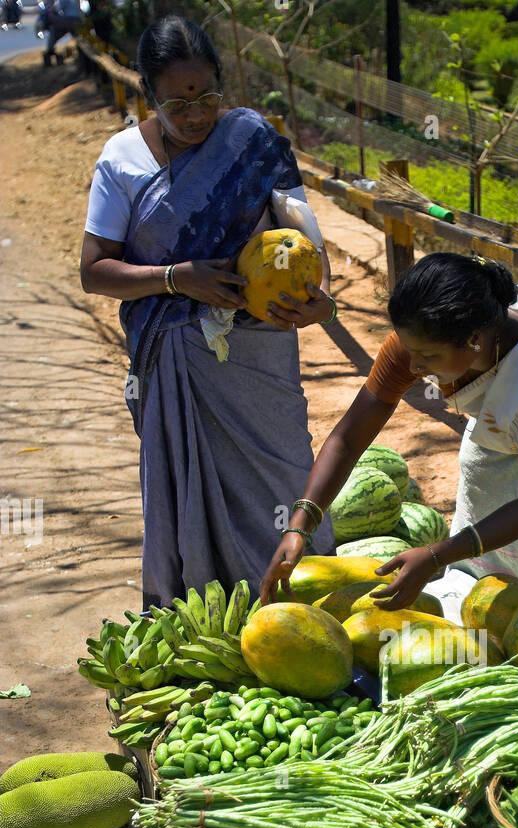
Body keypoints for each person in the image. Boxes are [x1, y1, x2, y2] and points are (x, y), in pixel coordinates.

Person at [260, 253, 518, 692]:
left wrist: (438, 554)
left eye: (428, 357)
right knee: (485, 487)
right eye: (411, 351)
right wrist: (300, 523)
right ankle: (502, 628)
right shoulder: (423, 341)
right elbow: (349, 436)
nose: (416, 367)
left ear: (476, 341)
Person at [80, 15, 336, 608]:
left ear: (221, 87)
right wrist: (177, 279)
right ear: (148, 93)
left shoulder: (254, 143)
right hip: (174, 359)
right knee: (188, 489)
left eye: (207, 98)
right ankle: (204, 609)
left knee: (284, 475)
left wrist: (318, 298)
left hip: (260, 354)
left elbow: (302, 242)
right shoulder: (121, 161)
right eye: (178, 103)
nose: (196, 116)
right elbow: (94, 272)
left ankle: (303, 610)